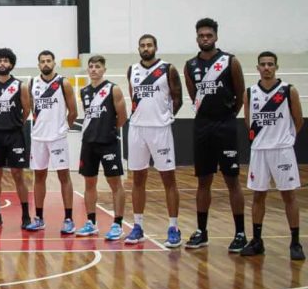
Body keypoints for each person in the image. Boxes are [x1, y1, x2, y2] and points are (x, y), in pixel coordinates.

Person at [183, 17, 247, 251]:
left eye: (209, 35)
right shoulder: (190, 65)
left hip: (225, 126)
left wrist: (227, 116)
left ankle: (240, 232)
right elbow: (193, 96)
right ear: (197, 37)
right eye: (201, 35)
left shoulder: (230, 62)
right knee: (203, 181)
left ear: (216, 36)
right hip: (202, 127)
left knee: (232, 180)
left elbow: (240, 94)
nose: (205, 39)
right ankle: (202, 231)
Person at [240, 52, 304, 260]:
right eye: (263, 64)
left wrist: (287, 138)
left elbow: (298, 120)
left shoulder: (288, 91)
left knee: (289, 195)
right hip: (259, 151)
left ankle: (295, 242)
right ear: (257, 68)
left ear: (276, 67)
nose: (267, 67)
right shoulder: (249, 93)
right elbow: (248, 121)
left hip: (282, 150)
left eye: (270, 64)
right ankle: (257, 241)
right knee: (258, 195)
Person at [124, 35, 183, 248]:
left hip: (160, 130)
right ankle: (138, 226)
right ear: (138, 48)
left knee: (168, 178)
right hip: (137, 129)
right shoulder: (132, 70)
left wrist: (167, 116)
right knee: (138, 178)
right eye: (142, 45)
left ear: (156, 47)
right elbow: (134, 97)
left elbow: (178, 97)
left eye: (149, 45)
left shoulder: (168, 69)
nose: (146, 48)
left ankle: (173, 227)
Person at [25, 50, 78, 232]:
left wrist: (64, 128)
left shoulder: (63, 83)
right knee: (39, 177)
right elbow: (31, 108)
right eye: (42, 61)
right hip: (38, 138)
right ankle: (39, 217)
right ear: (38, 64)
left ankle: (69, 219)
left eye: (49, 61)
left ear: (54, 63)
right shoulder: (32, 83)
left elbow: (73, 112)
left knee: (64, 177)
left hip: (57, 138)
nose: (46, 64)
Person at [76, 55, 127, 241]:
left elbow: (122, 117)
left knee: (115, 184)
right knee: (89, 184)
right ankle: (91, 223)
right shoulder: (84, 91)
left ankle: (117, 224)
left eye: (97, 66)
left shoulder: (113, 89)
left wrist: (108, 131)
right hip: (88, 143)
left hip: (108, 143)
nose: (94, 69)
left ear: (104, 69)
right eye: (91, 66)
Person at [0, 48, 32, 229]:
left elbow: (27, 109)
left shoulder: (21, 86)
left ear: (11, 64)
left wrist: (16, 122)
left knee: (18, 175)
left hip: (15, 135)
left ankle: (26, 216)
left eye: (6, 61)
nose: (2, 63)